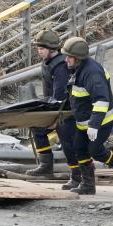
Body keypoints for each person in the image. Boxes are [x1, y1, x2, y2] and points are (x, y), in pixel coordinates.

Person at [61, 36, 113, 195]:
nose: (66, 60)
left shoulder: (92, 73)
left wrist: (94, 125)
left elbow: (101, 100)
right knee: (79, 148)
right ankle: (88, 185)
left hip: (102, 121)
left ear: (77, 58)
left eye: (69, 57)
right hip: (84, 121)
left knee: (95, 150)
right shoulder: (78, 69)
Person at [25, 30, 81, 190]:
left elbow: (61, 95)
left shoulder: (61, 66)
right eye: (38, 47)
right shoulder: (48, 63)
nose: (39, 50)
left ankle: (77, 176)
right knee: (37, 128)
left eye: (41, 48)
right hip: (56, 106)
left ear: (51, 49)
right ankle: (46, 166)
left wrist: (54, 119)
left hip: (67, 110)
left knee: (67, 141)